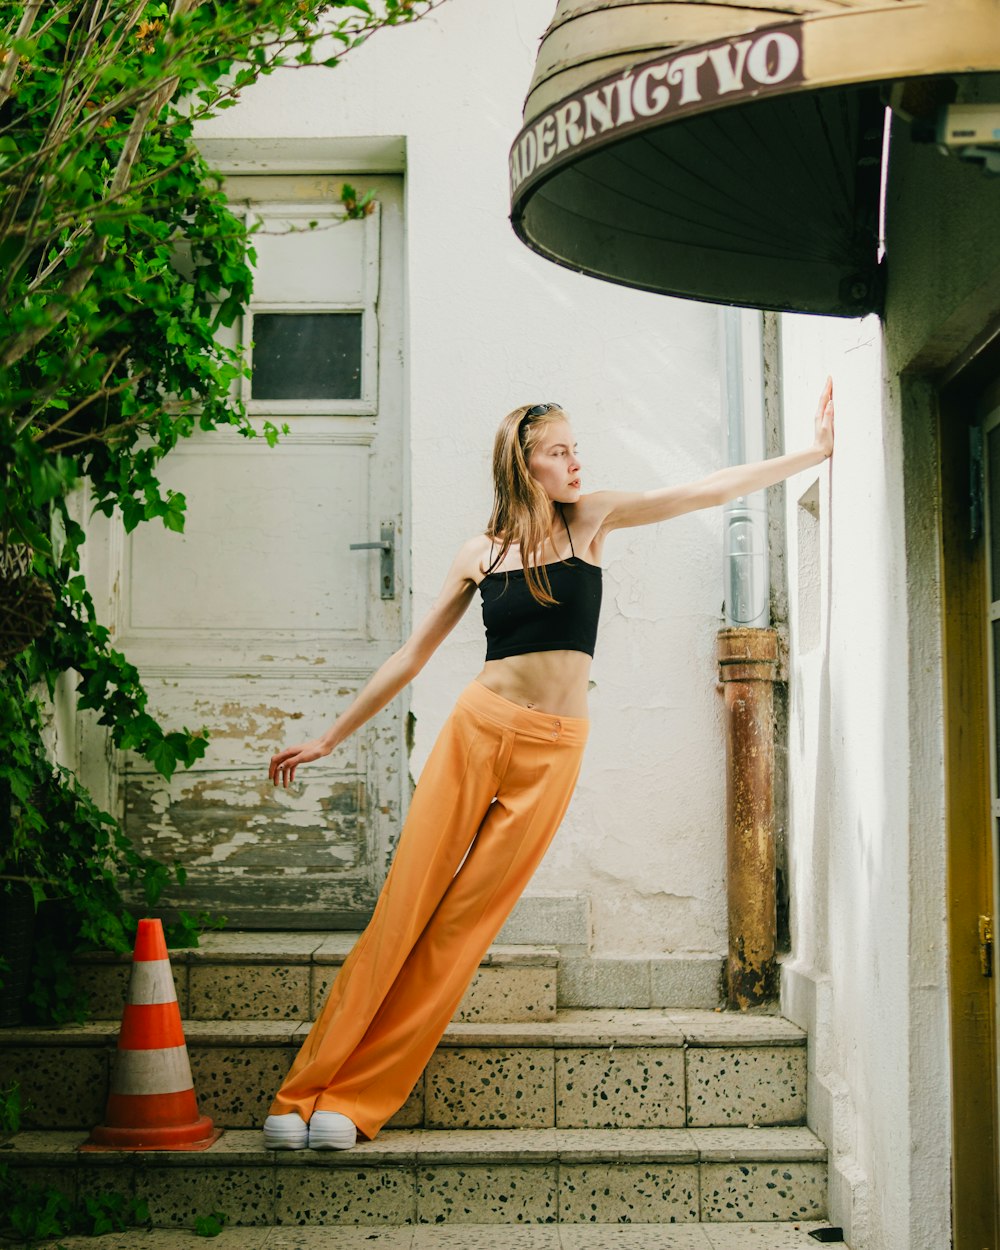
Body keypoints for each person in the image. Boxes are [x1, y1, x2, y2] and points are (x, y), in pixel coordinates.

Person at [262, 380, 835, 1151]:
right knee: (404, 910)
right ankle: (300, 1092)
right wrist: (330, 739)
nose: (575, 461)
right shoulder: (482, 552)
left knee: (460, 929)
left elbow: (695, 491)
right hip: (477, 730)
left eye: (574, 449)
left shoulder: (589, 522)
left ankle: (354, 1101)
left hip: (552, 752)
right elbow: (411, 655)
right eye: (559, 450)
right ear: (523, 463)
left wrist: (815, 453)